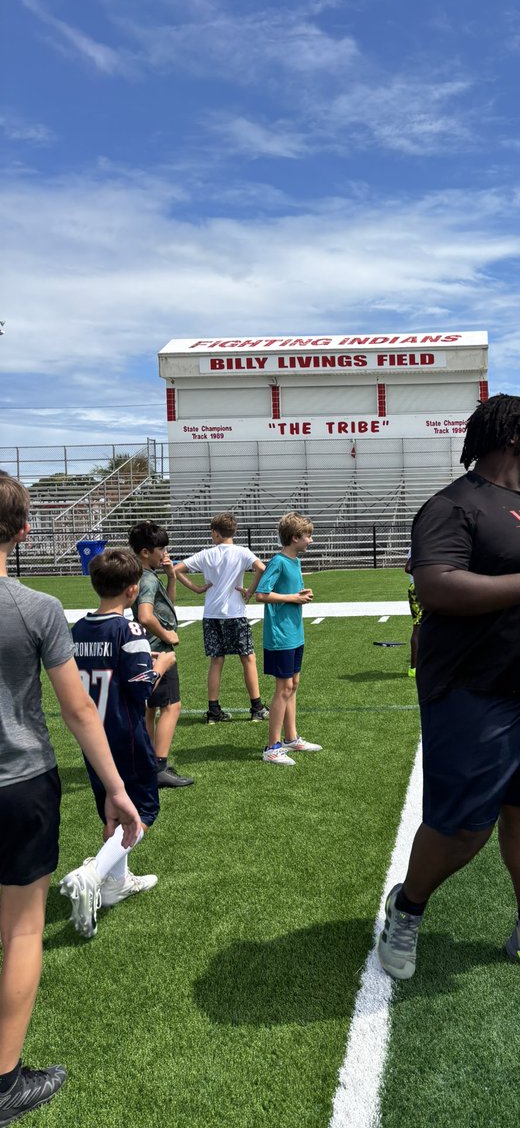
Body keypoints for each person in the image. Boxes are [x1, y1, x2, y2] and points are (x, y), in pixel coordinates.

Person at [377, 393, 520, 982]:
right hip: (475, 689)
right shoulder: (454, 505)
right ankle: (406, 909)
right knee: (463, 826)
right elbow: (438, 587)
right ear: (510, 436)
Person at [0, 476, 141, 1126]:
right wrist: (115, 788)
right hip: (20, 784)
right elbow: (78, 707)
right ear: (24, 531)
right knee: (24, 930)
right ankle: (5, 1082)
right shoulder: (36, 608)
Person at [59, 549, 178, 939]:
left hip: (92, 739)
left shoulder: (79, 628)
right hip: (124, 735)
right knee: (141, 809)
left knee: (109, 808)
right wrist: (160, 664)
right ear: (132, 590)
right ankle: (92, 874)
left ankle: (116, 882)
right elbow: (140, 688)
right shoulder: (128, 631)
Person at [173, 513, 269, 724]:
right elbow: (261, 568)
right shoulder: (242, 552)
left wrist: (197, 588)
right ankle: (257, 707)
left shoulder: (206, 554)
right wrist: (249, 591)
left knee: (216, 661)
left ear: (215, 533)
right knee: (247, 657)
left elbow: (176, 569)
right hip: (235, 613)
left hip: (212, 613)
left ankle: (214, 711)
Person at [129, 521, 193, 788]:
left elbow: (166, 605)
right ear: (145, 552)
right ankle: (159, 767)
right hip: (158, 650)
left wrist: (171, 578)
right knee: (171, 706)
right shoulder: (145, 578)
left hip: (147, 650)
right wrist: (167, 636)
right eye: (160, 548)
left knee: (151, 708)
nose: (164, 553)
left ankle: (148, 763)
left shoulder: (146, 576)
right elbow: (145, 615)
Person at [254, 514, 321, 765]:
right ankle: (272, 746)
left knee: (293, 684)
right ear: (294, 538)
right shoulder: (279, 562)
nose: (310, 540)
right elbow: (262, 594)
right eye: (307, 536)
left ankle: (291, 738)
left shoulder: (295, 562)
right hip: (280, 636)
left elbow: (289, 592)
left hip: (295, 634)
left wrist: (301, 594)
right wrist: (294, 598)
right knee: (283, 689)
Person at [404, 550, 421, 678]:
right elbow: (408, 567)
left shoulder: (416, 542)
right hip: (425, 588)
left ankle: (413, 668)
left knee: (418, 627)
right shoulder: (422, 542)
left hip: (415, 588)